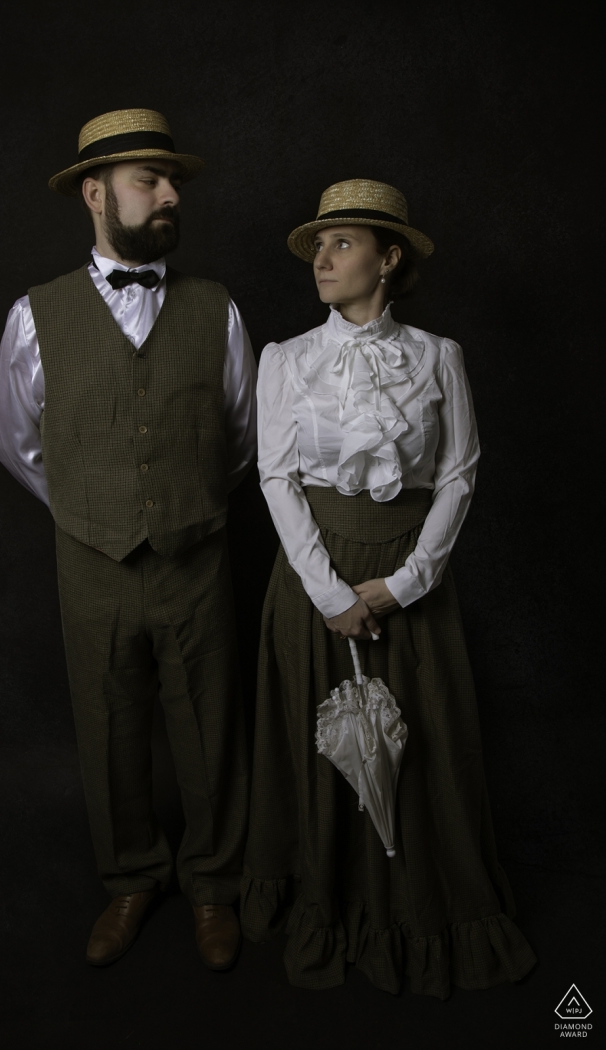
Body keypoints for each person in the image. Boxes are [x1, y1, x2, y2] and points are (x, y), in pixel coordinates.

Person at [240, 179, 536, 997]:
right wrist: (331, 593)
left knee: (424, 742)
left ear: (388, 256)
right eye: (317, 248)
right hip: (315, 573)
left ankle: (422, 910)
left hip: (408, 574)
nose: (323, 261)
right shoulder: (287, 359)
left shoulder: (439, 357)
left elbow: (460, 476)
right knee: (328, 744)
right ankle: (330, 904)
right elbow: (274, 478)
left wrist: (405, 583)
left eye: (342, 244)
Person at [0, 109, 257, 971]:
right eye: (152, 181)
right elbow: (15, 440)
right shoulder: (34, 316)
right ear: (97, 195)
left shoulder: (217, 310)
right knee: (108, 725)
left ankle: (215, 883)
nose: (172, 194)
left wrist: (181, 504)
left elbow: (244, 440)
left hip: (198, 559)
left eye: (173, 181)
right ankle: (133, 877)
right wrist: (90, 507)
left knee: (212, 725)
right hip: (90, 560)